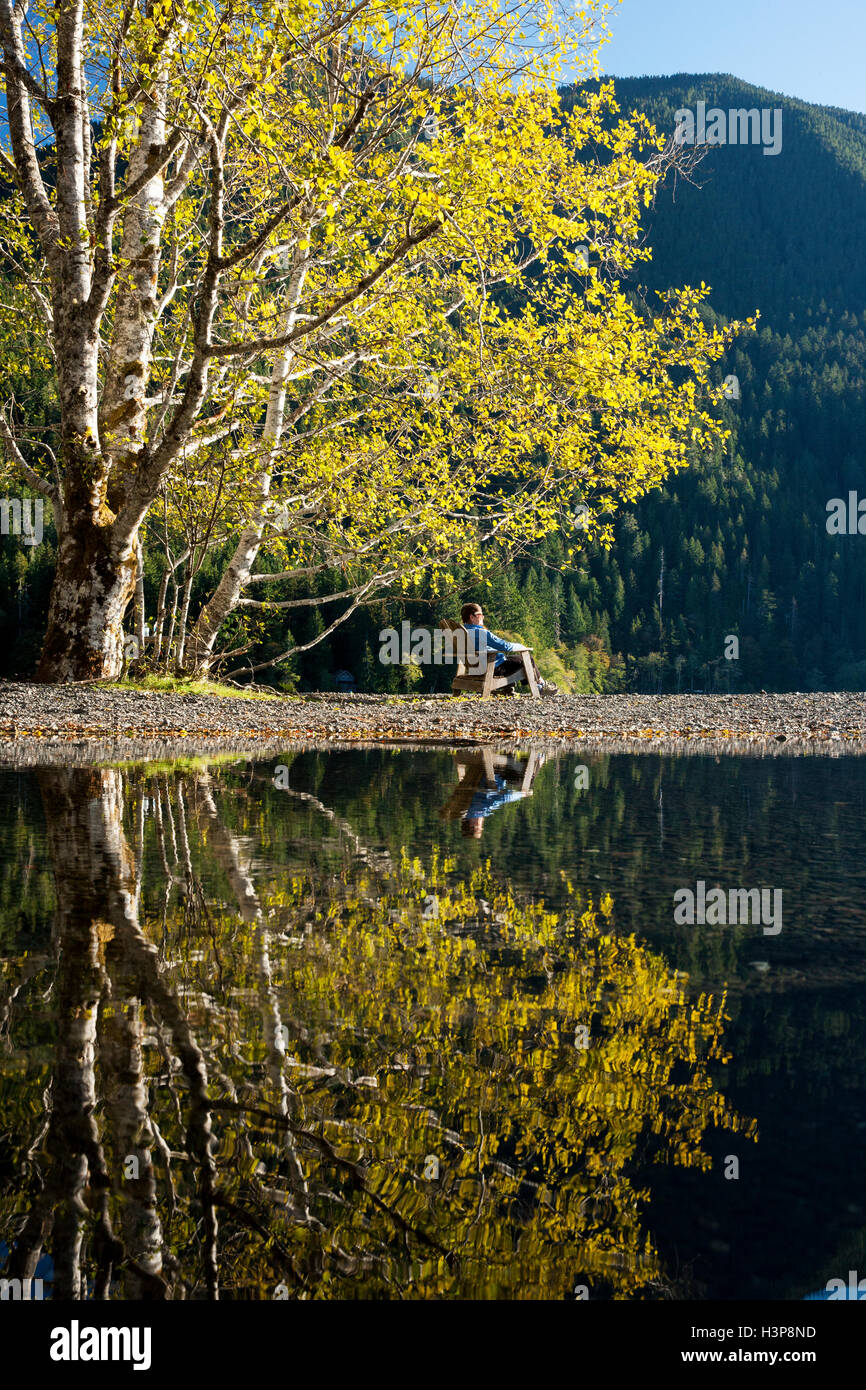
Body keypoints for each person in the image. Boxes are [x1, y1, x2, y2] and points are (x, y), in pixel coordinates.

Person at [460, 602, 557, 695]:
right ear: (472, 617)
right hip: (493, 668)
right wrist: (522, 646)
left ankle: (509, 688)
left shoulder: (460, 633)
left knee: (512, 659)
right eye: (480, 614)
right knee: (527, 658)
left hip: (474, 668)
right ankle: (541, 686)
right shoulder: (480, 633)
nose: (483, 617)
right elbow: (505, 646)